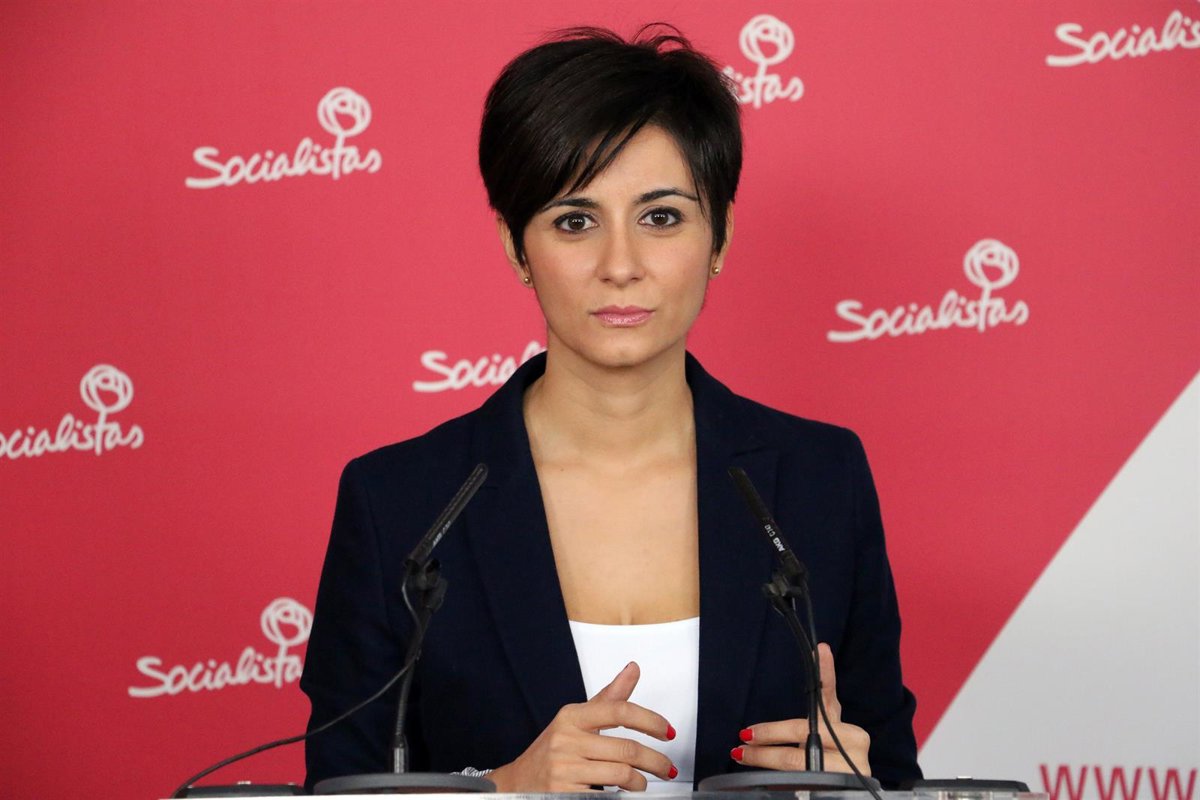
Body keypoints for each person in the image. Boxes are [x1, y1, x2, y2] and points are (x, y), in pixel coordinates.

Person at [301, 24, 920, 793]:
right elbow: (341, 785)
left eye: (661, 217)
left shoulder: (821, 480)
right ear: (516, 247)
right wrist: (500, 789)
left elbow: (896, 771)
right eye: (575, 221)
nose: (620, 265)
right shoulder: (400, 502)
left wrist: (864, 786)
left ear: (721, 235)